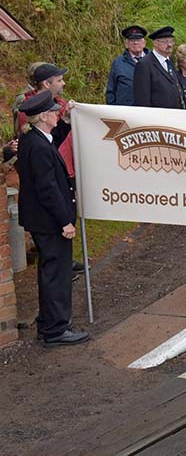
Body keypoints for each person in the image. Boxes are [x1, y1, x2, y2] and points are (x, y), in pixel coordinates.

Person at [17, 92, 86, 347]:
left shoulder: (34, 139)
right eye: (54, 111)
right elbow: (47, 189)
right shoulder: (38, 147)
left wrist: (67, 120)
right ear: (43, 116)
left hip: (41, 220)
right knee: (56, 274)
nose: (58, 113)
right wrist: (64, 222)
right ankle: (56, 329)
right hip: (49, 222)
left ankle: (49, 323)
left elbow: (54, 139)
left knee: (51, 272)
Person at [133, 26, 185, 109]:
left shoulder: (170, 61)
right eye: (165, 42)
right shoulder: (144, 64)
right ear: (155, 43)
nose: (170, 45)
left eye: (171, 41)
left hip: (174, 115)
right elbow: (142, 98)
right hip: (157, 117)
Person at [106, 25, 149, 106]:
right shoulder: (118, 63)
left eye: (138, 39)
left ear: (144, 43)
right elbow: (111, 90)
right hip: (125, 112)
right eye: (132, 40)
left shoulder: (153, 61)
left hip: (148, 112)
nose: (135, 42)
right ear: (126, 44)